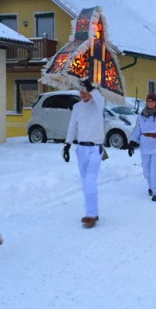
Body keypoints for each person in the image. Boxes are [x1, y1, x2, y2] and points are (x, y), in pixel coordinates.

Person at [63, 78, 105, 228]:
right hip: (81, 148)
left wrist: (92, 88)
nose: (82, 93)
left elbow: (99, 99)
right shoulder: (77, 107)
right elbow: (72, 126)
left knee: (90, 180)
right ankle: (92, 211)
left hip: (95, 148)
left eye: (85, 90)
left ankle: (91, 215)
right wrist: (67, 144)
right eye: (80, 91)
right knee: (85, 181)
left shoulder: (98, 105)